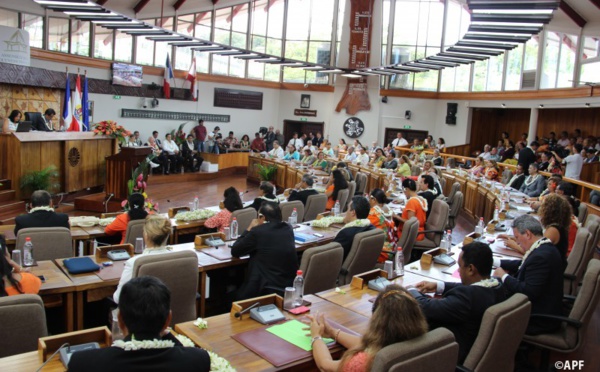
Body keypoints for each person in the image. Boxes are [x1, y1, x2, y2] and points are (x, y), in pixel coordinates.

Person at [69, 276, 210, 372]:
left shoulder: (81, 363)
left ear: (120, 320)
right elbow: (184, 354)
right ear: (168, 319)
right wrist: (169, 336)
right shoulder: (198, 360)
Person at [409, 242, 506, 362]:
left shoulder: (467, 299)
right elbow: (474, 287)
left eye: (460, 266)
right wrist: (440, 285)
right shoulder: (497, 285)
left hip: (449, 353)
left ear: (471, 269)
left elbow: (427, 308)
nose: (458, 271)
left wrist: (411, 291)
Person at [307, 285, 427, 371]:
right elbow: (370, 344)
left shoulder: (365, 362)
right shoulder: (423, 342)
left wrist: (316, 336)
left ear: (377, 320)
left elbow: (325, 365)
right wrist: (333, 332)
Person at [493, 215, 563, 335]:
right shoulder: (544, 248)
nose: (517, 242)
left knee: (486, 307)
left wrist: (504, 276)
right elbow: (524, 263)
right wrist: (494, 261)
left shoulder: (541, 257)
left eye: (517, 237)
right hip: (542, 307)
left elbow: (528, 291)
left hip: (538, 318)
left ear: (528, 234)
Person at [231, 202, 298, 300]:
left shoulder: (258, 232)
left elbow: (236, 251)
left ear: (262, 217)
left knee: (228, 299)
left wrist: (249, 229)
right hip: (285, 286)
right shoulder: (288, 228)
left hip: (262, 289)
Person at [113, 215, 173, 303]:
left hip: (140, 314)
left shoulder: (134, 263)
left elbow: (118, 298)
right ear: (167, 235)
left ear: (146, 235)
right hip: (172, 312)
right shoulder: (182, 258)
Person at [367, 189, 397, 263]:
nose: (368, 201)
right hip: (392, 248)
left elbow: (363, 226)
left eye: (369, 199)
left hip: (381, 252)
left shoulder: (373, 213)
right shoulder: (387, 209)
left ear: (374, 200)